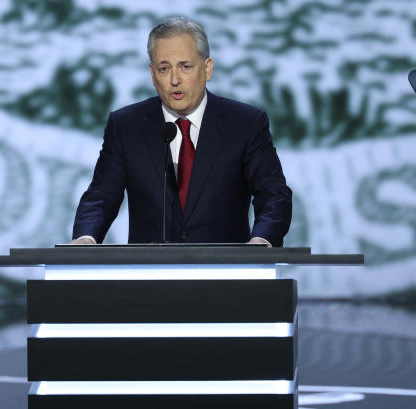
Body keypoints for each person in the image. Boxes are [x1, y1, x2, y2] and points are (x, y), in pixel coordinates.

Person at [71, 16, 292, 246]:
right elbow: (101, 196)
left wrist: (261, 240)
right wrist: (86, 238)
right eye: (164, 68)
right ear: (152, 74)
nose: (174, 79)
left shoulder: (245, 124)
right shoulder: (126, 126)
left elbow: (273, 195)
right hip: (150, 276)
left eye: (185, 67)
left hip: (225, 275)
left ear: (207, 69)